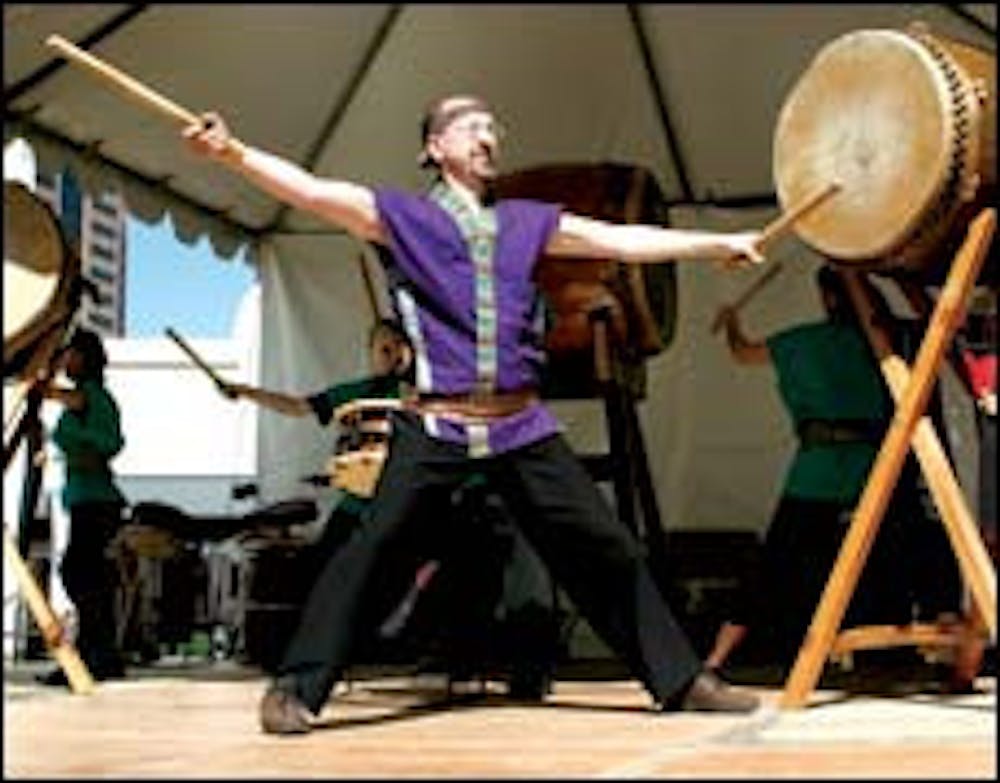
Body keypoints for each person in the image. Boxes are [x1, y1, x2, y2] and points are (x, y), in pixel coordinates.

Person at [182, 93, 766, 734]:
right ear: (435, 148)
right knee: (371, 552)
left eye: (492, 127)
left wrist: (717, 242)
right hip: (438, 425)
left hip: (520, 426)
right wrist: (232, 153)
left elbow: (618, 240)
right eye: (470, 128)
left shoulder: (524, 222)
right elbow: (312, 192)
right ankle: (296, 688)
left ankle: (682, 679)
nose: (487, 137)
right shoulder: (400, 217)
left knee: (607, 547)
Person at [221, 317, 561, 697]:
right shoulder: (358, 393)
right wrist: (246, 392)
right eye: (382, 348)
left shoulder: (432, 391)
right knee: (332, 572)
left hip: (422, 502)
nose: (390, 355)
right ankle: (318, 660)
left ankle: (468, 656)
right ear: (370, 353)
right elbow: (299, 406)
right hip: (362, 501)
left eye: (397, 347)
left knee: (469, 567)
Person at [704, 267, 923, 676]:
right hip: (875, 470)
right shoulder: (890, 341)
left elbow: (743, 352)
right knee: (885, 561)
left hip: (823, 472)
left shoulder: (805, 342)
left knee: (776, 563)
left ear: (829, 298)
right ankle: (891, 655)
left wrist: (732, 320)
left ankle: (717, 657)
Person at [33, 328, 128, 685]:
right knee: (88, 578)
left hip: (95, 500)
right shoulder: (89, 397)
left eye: (69, 355)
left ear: (84, 357)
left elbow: (73, 401)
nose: (64, 362)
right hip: (89, 499)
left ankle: (97, 656)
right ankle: (99, 655)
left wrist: (41, 385)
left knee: (79, 574)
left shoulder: (91, 394)